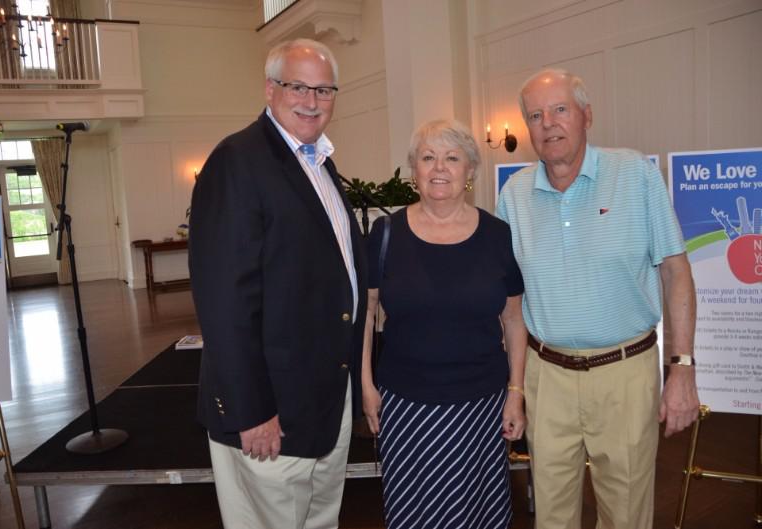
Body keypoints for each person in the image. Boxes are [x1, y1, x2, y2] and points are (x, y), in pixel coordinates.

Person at [496, 68, 700, 529]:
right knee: (551, 514)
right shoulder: (513, 196)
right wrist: (516, 388)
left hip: (625, 374)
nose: (548, 123)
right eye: (535, 115)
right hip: (546, 379)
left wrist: (682, 368)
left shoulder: (635, 175)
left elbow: (676, 271)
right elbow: (510, 304)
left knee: (627, 512)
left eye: (560, 109)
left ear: (587, 115)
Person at [188, 38, 367, 529]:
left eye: (324, 90)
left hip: (322, 403)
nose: (312, 101)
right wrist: (252, 411)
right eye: (298, 87)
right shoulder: (237, 161)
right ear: (271, 89)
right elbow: (224, 302)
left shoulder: (318, 163)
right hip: (271, 414)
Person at [362, 119, 528, 529]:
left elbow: (513, 318)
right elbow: (365, 314)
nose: (440, 168)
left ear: (469, 171)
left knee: (475, 510)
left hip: (480, 406)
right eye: (428, 157)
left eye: (452, 158)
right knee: (415, 511)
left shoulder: (497, 235)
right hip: (406, 406)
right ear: (414, 170)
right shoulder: (384, 235)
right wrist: (366, 386)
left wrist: (516, 392)